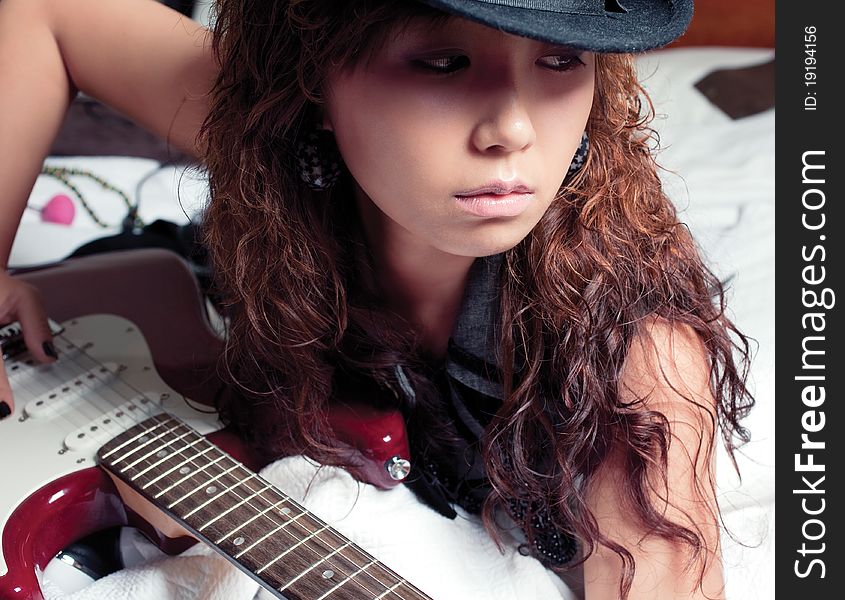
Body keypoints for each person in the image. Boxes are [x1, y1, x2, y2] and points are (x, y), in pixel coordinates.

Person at [0, 0, 754, 597]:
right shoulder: (266, 131)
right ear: (314, 83)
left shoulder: (635, 347)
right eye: (442, 61)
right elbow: (50, 10)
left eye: (561, 60)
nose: (513, 128)